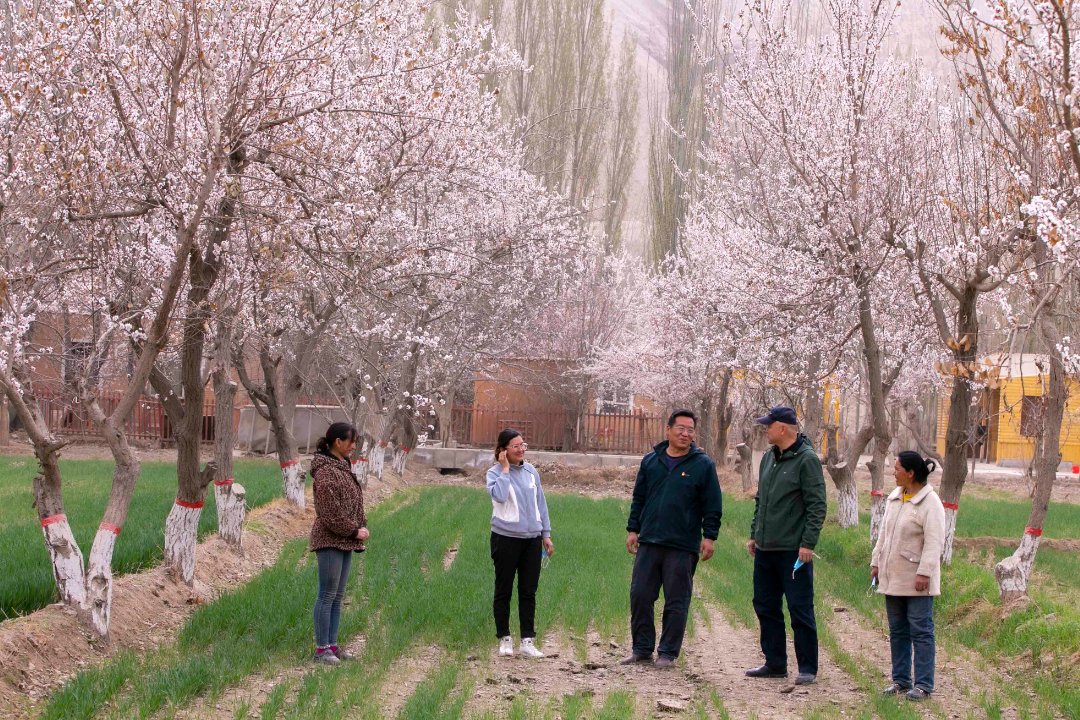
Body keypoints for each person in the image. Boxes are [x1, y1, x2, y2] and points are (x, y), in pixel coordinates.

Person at [623, 409, 722, 669]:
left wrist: (709, 536)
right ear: (668, 430)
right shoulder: (651, 461)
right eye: (680, 428)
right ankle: (641, 649)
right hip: (650, 541)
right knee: (640, 595)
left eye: (690, 430)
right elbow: (639, 498)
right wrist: (633, 529)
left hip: (682, 545)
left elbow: (712, 505)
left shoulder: (703, 465)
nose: (685, 434)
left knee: (676, 601)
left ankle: (667, 653)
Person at [746, 406, 827, 685]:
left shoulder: (807, 460)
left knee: (799, 608)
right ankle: (775, 663)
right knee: (765, 606)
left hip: (793, 551)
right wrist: (755, 533)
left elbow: (817, 505)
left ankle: (807, 668)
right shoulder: (769, 458)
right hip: (766, 549)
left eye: (769, 425)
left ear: (783, 428)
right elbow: (761, 500)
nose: (765, 429)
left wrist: (807, 543)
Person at [871, 451, 946, 702]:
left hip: (917, 579)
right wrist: (876, 563)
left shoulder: (930, 503)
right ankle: (901, 680)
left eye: (897, 468)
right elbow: (884, 535)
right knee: (898, 630)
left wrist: (925, 572)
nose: (893, 472)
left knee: (921, 630)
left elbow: (935, 542)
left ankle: (924, 684)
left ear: (911, 473)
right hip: (894, 577)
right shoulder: (895, 498)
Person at [487, 428, 554, 658]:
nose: (521, 450)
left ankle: (527, 640)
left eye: (523, 445)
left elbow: (540, 503)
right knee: (503, 590)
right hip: (505, 539)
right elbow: (500, 496)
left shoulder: (531, 472)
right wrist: (505, 469)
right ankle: (504, 638)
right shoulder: (494, 473)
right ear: (503, 450)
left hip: (532, 540)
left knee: (528, 591)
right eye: (516, 446)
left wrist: (546, 534)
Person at [309, 422, 368, 665]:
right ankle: (322, 649)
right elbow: (329, 513)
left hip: (345, 540)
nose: (354, 446)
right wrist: (354, 530)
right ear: (337, 442)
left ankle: (333, 646)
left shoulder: (342, 466)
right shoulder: (325, 472)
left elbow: (354, 503)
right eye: (351, 441)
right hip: (330, 539)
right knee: (327, 595)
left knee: (337, 596)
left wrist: (360, 527)